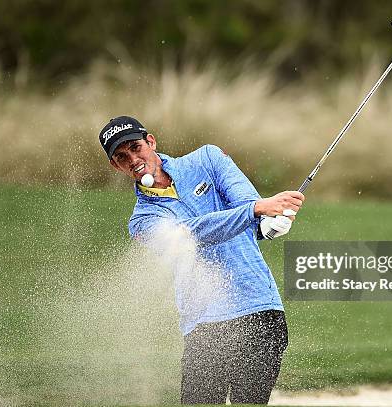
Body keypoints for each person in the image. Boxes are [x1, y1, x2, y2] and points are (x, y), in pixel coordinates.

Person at [98, 116, 304, 404]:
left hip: (258, 307)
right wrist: (256, 211)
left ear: (151, 142)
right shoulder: (142, 220)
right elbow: (188, 235)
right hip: (205, 325)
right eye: (122, 157)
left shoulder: (207, 159)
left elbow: (248, 204)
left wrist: (266, 224)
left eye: (136, 147)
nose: (133, 159)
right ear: (115, 166)